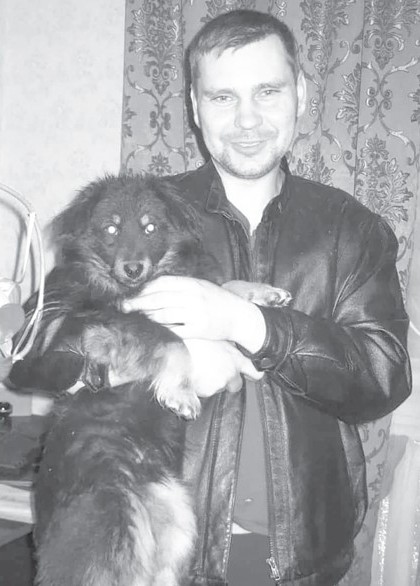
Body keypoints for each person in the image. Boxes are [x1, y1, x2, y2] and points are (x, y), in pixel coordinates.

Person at [119, 9, 412, 586]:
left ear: (301, 93)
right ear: (195, 106)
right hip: (155, 547)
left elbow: (383, 378)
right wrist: (165, 359)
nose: (247, 119)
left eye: (268, 92)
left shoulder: (352, 230)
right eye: (223, 97)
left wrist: (244, 321)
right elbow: (52, 346)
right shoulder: (139, 213)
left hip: (300, 556)